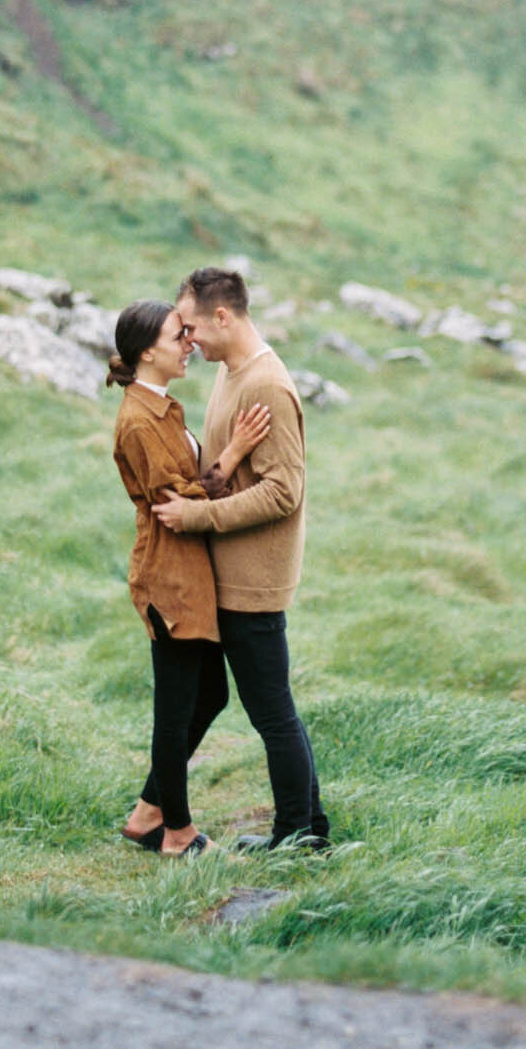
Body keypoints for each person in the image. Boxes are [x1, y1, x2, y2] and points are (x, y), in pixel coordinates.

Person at [153, 266, 329, 850]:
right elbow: (230, 477)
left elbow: (284, 492)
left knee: (273, 715)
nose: (189, 338)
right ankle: (310, 832)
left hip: (254, 579)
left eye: (193, 326)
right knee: (272, 711)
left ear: (223, 316)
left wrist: (198, 516)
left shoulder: (266, 385)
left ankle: (295, 837)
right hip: (229, 574)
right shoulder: (232, 375)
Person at [109, 298, 270, 858]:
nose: (189, 344)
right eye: (178, 336)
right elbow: (175, 501)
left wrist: (227, 457)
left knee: (209, 695)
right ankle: (175, 834)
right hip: (167, 577)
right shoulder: (137, 418)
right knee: (177, 707)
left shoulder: (161, 406)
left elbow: (186, 488)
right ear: (147, 350)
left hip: (188, 570)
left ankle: (148, 812)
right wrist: (231, 458)